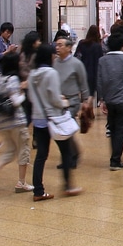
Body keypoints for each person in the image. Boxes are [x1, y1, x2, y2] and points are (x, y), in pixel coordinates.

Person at [26, 43, 80, 200]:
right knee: (66, 152)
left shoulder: (32, 74)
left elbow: (30, 97)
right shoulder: (51, 73)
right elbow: (55, 98)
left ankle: (38, 191)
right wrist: (64, 102)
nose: (54, 57)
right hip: (54, 118)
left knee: (41, 155)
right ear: (48, 56)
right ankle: (68, 186)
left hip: (39, 119)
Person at [0, 51, 33, 193]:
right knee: (23, 150)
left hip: (2, 122)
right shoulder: (13, 79)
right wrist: (23, 93)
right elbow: (15, 101)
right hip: (16, 122)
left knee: (10, 151)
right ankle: (21, 182)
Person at [96, 33, 123, 171]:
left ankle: (115, 156)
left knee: (112, 128)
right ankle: (115, 159)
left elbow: (99, 81)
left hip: (109, 99)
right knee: (121, 130)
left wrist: (102, 99)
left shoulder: (102, 60)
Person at [52, 35, 90, 171]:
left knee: (66, 130)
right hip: (58, 102)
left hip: (72, 101)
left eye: (60, 45)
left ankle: (71, 156)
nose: (57, 47)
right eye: (56, 45)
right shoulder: (55, 63)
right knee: (62, 131)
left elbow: (83, 83)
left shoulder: (76, 64)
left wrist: (85, 101)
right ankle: (69, 155)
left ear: (69, 48)